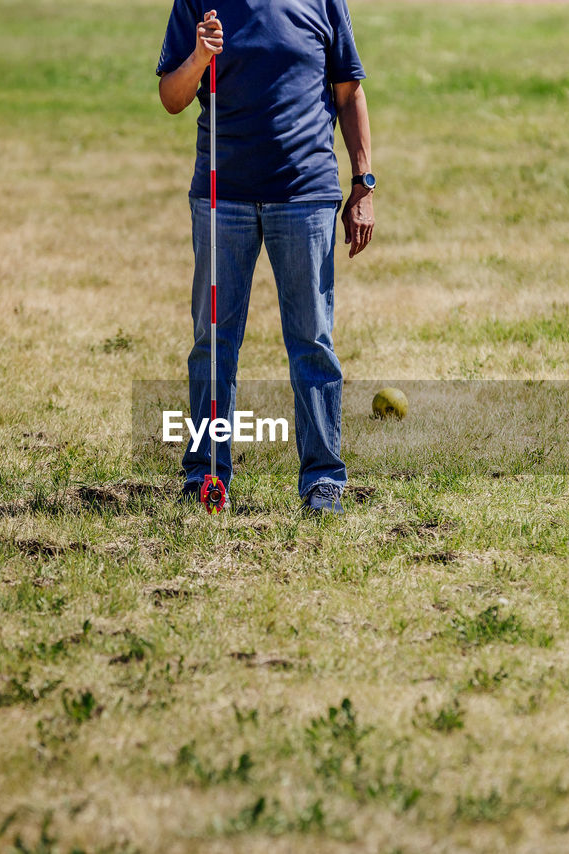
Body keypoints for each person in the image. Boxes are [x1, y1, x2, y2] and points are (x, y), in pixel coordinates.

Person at [156, 0, 374, 516]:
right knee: (213, 341)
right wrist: (199, 59)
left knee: (313, 341)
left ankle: (323, 482)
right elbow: (171, 97)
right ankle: (205, 475)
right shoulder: (199, 1)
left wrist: (363, 181)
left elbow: (349, 91)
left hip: (305, 194)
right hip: (221, 196)